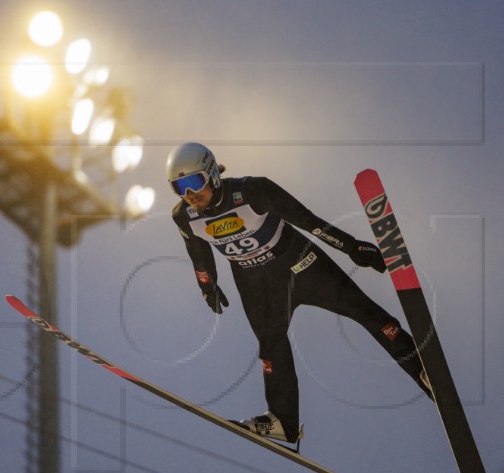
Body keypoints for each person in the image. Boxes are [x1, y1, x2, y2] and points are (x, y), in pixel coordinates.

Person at [168, 142, 431, 445]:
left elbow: (309, 222)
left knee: (365, 312)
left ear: (212, 172)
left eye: (193, 183)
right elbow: (197, 251)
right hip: (257, 285)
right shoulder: (184, 216)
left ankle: (423, 369)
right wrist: (207, 284)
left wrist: (352, 247)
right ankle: (283, 421)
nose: (190, 195)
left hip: (300, 265)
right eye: (179, 187)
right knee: (271, 348)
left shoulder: (254, 190)